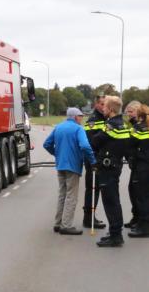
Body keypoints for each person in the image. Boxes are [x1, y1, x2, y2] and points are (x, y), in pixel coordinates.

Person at [43, 108, 96, 235]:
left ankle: (58, 223)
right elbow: (84, 145)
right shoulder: (78, 129)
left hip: (60, 165)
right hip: (73, 166)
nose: (82, 118)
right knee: (71, 196)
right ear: (75, 117)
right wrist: (93, 160)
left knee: (62, 194)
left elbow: (46, 144)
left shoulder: (58, 127)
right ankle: (66, 225)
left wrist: (57, 154)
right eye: (80, 116)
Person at [91, 96, 130, 247]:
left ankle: (116, 236)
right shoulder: (123, 124)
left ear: (111, 109)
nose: (103, 109)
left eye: (105, 107)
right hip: (115, 166)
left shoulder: (111, 126)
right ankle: (115, 231)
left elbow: (95, 141)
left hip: (107, 168)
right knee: (115, 200)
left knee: (110, 202)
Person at [82, 94, 107, 229]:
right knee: (92, 189)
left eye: (106, 104)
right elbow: (91, 142)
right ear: (96, 104)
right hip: (93, 159)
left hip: (98, 159)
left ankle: (90, 216)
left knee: (96, 189)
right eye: (102, 104)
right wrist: (94, 161)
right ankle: (88, 218)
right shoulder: (94, 120)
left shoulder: (104, 119)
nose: (104, 107)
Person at [126, 104, 149, 237]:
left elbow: (128, 145)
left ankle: (144, 227)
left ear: (139, 115)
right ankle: (142, 223)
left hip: (141, 166)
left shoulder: (137, 129)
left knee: (140, 196)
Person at [124, 101, 142, 229]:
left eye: (131, 111)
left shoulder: (141, 126)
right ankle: (136, 218)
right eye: (127, 112)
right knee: (132, 191)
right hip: (135, 164)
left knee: (139, 193)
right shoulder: (133, 125)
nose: (128, 114)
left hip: (141, 164)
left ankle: (141, 220)